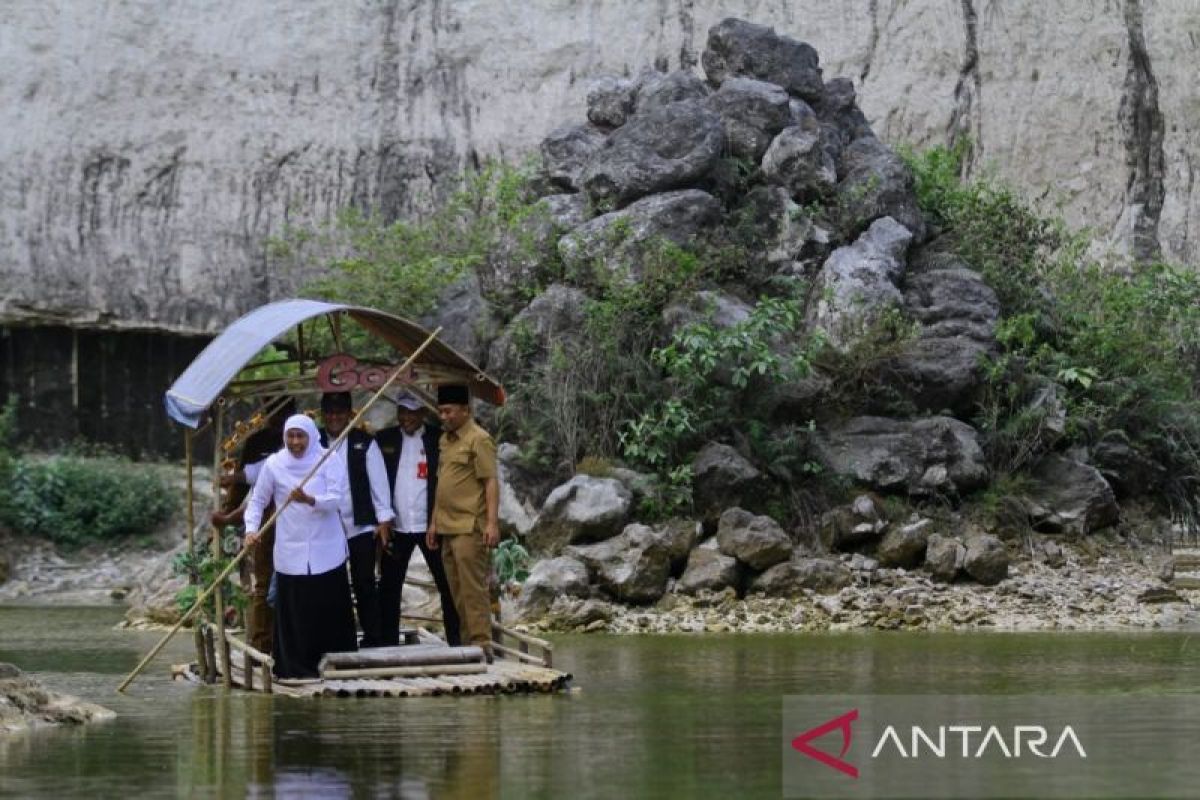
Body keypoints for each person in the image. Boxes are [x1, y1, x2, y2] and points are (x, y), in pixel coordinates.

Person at [244, 414, 356, 679]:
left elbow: (337, 498)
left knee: (327, 611)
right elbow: (257, 501)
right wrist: (251, 530)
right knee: (295, 613)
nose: (295, 442)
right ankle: (295, 669)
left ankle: (336, 666)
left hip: (326, 549)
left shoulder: (328, 459)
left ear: (311, 436)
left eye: (300, 436)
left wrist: (310, 499)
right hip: (290, 550)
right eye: (290, 436)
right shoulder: (274, 464)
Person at [375, 391, 461, 646]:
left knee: (446, 583)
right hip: (396, 525)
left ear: (423, 413)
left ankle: (456, 641)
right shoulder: (384, 439)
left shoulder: (439, 438)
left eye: (411, 412)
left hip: (431, 525)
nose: (406, 418)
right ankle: (386, 644)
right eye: (402, 411)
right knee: (389, 587)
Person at [211, 398, 295, 654]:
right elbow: (248, 482)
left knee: (298, 584)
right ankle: (262, 644)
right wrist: (226, 513)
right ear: (267, 414)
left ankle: (294, 642)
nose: (279, 420)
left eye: (284, 414)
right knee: (263, 585)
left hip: (298, 522)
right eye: (274, 413)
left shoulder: (302, 438)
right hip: (264, 524)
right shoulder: (257, 443)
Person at [426, 384, 499, 660]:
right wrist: (433, 522)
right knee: (455, 589)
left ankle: (482, 643)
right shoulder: (446, 440)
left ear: (465, 410)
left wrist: (491, 523)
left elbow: (490, 481)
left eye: (449, 411)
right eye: (441, 411)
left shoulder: (479, 439)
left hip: (470, 525)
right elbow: (441, 483)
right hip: (445, 525)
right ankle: (468, 641)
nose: (444, 417)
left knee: (472, 588)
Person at [317, 391, 395, 648]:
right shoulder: (312, 442)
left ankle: (374, 638)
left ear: (350, 415)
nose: (334, 418)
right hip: (326, 527)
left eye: (340, 413)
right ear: (323, 415)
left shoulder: (364, 442)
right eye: (329, 413)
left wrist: (383, 519)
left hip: (360, 525)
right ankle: (342, 639)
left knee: (364, 582)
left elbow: (379, 481)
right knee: (333, 585)